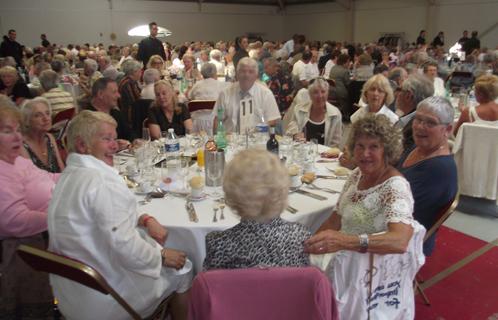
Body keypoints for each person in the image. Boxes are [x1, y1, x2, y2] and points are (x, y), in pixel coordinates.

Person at [48, 110, 192, 319]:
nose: (115, 145)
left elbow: (105, 215)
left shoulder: (68, 178)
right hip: (109, 297)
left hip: (72, 296)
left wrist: (144, 218)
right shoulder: (102, 182)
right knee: (184, 267)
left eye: (114, 138)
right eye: (106, 139)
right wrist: (161, 257)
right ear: (82, 145)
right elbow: (125, 245)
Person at [305, 114, 415, 256]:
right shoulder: (357, 174)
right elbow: (334, 221)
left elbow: (400, 241)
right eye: (360, 146)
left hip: (365, 267)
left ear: (387, 151)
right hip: (342, 256)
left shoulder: (395, 187)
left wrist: (346, 242)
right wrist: (309, 246)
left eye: (374, 147)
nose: (365, 154)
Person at [203, 149, 311, 270]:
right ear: (282, 189)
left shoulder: (219, 245)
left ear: (231, 195)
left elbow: (210, 286)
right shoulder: (300, 236)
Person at [0, 100, 58, 318]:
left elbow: (49, 177)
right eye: (7, 131)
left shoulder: (17, 161)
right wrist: (60, 216)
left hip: (48, 234)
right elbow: (15, 220)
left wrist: (82, 175)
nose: (17, 138)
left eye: (17, 130)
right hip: (30, 249)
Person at [398, 96, 457, 255]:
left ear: (448, 129)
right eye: (418, 119)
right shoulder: (417, 147)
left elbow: (408, 213)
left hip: (404, 239)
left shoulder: (439, 169)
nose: (420, 127)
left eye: (430, 122)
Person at [212, 57, 280, 133]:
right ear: (237, 74)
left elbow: (272, 120)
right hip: (230, 140)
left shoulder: (266, 94)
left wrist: (257, 132)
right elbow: (217, 119)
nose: (246, 75)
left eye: (251, 72)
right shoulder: (225, 93)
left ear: (256, 75)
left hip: (257, 141)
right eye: (243, 71)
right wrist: (219, 138)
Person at [286, 78, 342, 147]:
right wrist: (295, 135)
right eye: (315, 92)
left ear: (327, 93)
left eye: (323, 92)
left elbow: (335, 144)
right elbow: (289, 131)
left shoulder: (335, 114)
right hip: (301, 152)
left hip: (324, 156)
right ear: (310, 94)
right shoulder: (299, 110)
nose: (320, 96)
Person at [20, 97, 64, 172]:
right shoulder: (22, 145)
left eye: (47, 113)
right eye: (38, 115)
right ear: (27, 121)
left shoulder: (49, 138)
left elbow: (62, 168)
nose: (46, 118)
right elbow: (30, 178)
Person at [87, 77, 134, 148]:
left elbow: (130, 134)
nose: (119, 96)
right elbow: (90, 147)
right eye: (114, 92)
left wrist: (134, 141)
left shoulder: (116, 114)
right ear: (100, 94)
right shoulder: (87, 118)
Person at [394, 74, 434, 154]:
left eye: (399, 89)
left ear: (408, 96)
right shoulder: (414, 120)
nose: (396, 94)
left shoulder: (416, 128)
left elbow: (399, 159)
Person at [328, 53, 351, 117]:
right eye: (348, 62)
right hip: (340, 93)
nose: (349, 63)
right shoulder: (344, 71)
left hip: (331, 91)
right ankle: (347, 114)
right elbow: (348, 84)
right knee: (352, 94)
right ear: (344, 62)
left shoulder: (333, 67)